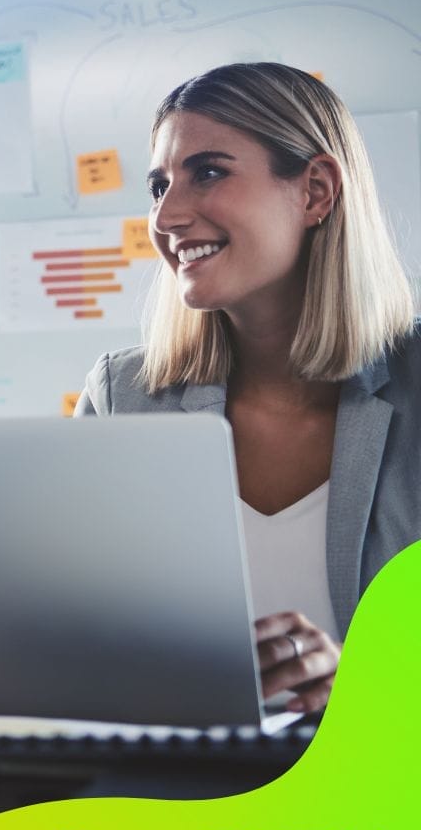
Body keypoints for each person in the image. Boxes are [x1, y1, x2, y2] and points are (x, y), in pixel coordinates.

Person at [76, 62, 418, 715]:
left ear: (316, 191)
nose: (168, 216)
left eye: (208, 172)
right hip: (173, 788)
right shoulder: (124, 394)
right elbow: (73, 632)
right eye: (158, 186)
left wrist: (362, 689)